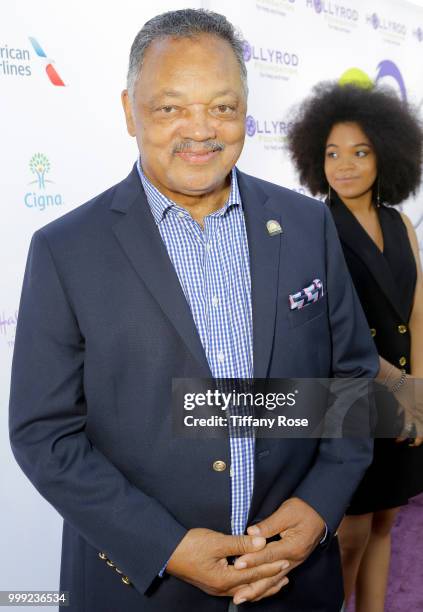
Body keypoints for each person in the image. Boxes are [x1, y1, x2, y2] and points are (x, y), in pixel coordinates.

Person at [9, 11, 378, 612]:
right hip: (139, 590)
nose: (200, 131)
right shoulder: (64, 250)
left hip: (293, 582)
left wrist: (317, 506)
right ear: (130, 110)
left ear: (246, 109)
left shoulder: (309, 224)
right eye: (170, 108)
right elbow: (45, 434)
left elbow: (353, 381)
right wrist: (166, 547)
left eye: (223, 108)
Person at [287, 81, 423, 612]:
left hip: (404, 397)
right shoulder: (313, 226)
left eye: (360, 152)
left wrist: (417, 391)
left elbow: (415, 313)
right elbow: (329, 332)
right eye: (332, 153)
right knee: (349, 537)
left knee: (387, 522)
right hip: (352, 398)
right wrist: (401, 395)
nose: (344, 165)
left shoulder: (401, 223)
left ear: (385, 156)